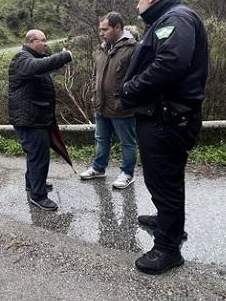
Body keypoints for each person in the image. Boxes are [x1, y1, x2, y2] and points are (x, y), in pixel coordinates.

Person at [121, 0, 208, 275]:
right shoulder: (167, 20)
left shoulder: (176, 18)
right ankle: (166, 220)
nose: (137, 3)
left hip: (167, 117)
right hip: (163, 115)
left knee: (164, 181)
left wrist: (131, 88)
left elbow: (171, 62)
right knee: (164, 179)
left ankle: (168, 248)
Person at [8, 29, 73, 211]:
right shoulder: (21, 59)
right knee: (39, 157)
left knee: (34, 155)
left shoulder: (31, 59)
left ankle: (33, 184)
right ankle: (39, 196)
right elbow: (38, 67)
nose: (46, 43)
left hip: (35, 117)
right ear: (30, 42)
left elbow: (45, 65)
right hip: (30, 120)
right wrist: (64, 56)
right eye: (42, 40)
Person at [80, 12, 138, 189]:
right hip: (101, 105)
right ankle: (99, 168)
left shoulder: (133, 49)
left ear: (118, 28)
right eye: (100, 29)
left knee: (127, 142)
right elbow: (95, 75)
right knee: (101, 139)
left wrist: (126, 100)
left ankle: (127, 174)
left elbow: (139, 79)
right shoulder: (103, 49)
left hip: (121, 107)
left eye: (105, 29)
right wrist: (94, 93)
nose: (101, 33)